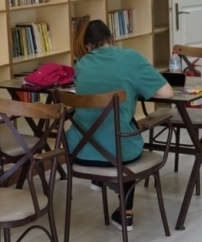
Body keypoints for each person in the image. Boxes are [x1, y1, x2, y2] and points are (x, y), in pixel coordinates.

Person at [65, 20, 174, 231]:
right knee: (123, 137)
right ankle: (125, 213)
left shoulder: (81, 65)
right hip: (120, 153)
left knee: (107, 131)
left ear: (87, 46)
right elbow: (167, 93)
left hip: (79, 152)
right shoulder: (131, 58)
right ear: (113, 38)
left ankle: (100, 180)